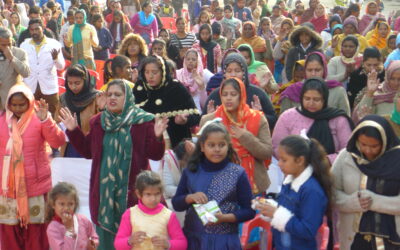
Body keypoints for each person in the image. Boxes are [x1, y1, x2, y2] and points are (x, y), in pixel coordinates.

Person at [60, 79, 167, 249]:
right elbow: (88, 151)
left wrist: (158, 137)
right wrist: (74, 130)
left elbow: (155, 155)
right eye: (109, 94)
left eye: (118, 94)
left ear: (128, 97)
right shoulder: (98, 122)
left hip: (133, 194)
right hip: (104, 196)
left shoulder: (143, 121)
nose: (112, 98)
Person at [0, 84, 65, 250]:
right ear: (8, 104)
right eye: (14, 104)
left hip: (35, 186)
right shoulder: (1, 122)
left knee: (35, 229)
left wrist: (46, 120)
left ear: (29, 102)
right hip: (7, 188)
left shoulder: (39, 119)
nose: (18, 108)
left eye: (22, 104)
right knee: (9, 229)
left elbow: (58, 142)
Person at [172, 121, 256, 249]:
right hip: (194, 239)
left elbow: (249, 211)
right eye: (211, 145)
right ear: (202, 147)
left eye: (221, 145)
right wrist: (189, 198)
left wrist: (225, 218)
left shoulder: (237, 173)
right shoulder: (191, 170)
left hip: (224, 240)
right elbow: (176, 204)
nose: (217, 149)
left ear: (228, 146)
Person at [332, 115, 400, 249]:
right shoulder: (346, 157)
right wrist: (351, 202)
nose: (368, 150)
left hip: (393, 237)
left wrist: (373, 201)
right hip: (354, 236)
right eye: (363, 144)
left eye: (374, 146)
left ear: (385, 141)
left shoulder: (397, 159)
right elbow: (332, 192)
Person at [255, 135, 332, 250]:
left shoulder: (312, 191)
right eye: (279, 159)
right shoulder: (289, 182)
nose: (279, 164)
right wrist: (268, 208)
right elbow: (285, 210)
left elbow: (307, 230)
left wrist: (276, 213)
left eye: (284, 160)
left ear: (300, 160)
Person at [201, 77, 272, 194]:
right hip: (219, 183)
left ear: (242, 95)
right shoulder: (209, 120)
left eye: (233, 94)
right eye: (224, 94)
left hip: (254, 183)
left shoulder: (257, 118)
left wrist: (245, 137)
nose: (228, 98)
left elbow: (266, 152)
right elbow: (202, 155)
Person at [273, 77, 353, 164]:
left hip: (331, 172)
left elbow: (347, 151)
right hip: (296, 172)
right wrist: (297, 161)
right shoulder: (288, 116)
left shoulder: (337, 119)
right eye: (307, 99)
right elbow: (277, 147)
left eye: (316, 99)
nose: (311, 103)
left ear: (324, 99)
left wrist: (323, 161)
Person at [133, 56, 200, 148]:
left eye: (154, 72)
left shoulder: (176, 88)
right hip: (147, 145)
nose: (150, 76)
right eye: (147, 72)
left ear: (163, 72)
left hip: (176, 145)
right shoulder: (140, 89)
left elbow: (196, 117)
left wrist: (185, 120)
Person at [114, 171, 187, 249]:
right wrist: (129, 241)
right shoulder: (130, 214)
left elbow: (182, 243)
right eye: (148, 194)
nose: (153, 199)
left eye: (157, 194)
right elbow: (117, 244)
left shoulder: (168, 215)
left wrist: (168, 244)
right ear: (138, 194)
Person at [204, 53, 277, 130]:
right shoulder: (216, 94)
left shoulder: (257, 93)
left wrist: (259, 115)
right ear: (224, 74)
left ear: (244, 72)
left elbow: (274, 121)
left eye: (237, 71)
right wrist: (210, 118)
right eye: (229, 71)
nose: (233, 74)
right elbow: (202, 124)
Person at [280, 52, 350, 115]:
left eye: (317, 70)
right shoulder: (292, 91)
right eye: (309, 70)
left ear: (324, 70)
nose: (313, 74)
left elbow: (345, 119)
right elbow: (283, 121)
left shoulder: (337, 91)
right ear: (305, 71)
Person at [21, 18, 65, 119]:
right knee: (30, 114)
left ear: (43, 28)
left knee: (53, 114)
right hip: (30, 85)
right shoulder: (24, 45)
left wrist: (56, 59)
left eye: (37, 29)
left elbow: (61, 66)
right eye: (32, 30)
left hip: (49, 86)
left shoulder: (54, 44)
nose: (34, 32)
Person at [60, 64, 104, 157]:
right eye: (70, 83)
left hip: (91, 143)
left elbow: (103, 122)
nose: (73, 87)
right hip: (69, 145)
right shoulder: (63, 99)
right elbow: (58, 120)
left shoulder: (97, 98)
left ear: (86, 81)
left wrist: (102, 109)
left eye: (77, 83)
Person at [46, 182, 99, 250]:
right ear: (53, 204)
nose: (66, 208)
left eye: (70, 204)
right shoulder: (53, 228)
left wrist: (92, 244)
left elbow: (94, 236)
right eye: (62, 204)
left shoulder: (83, 220)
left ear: (75, 204)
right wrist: (69, 229)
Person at [0, 27, 30, 110]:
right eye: (3, 45)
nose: (7, 48)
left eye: (9, 44)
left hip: (11, 102)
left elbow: (26, 73)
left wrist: (12, 58)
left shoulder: (20, 53)